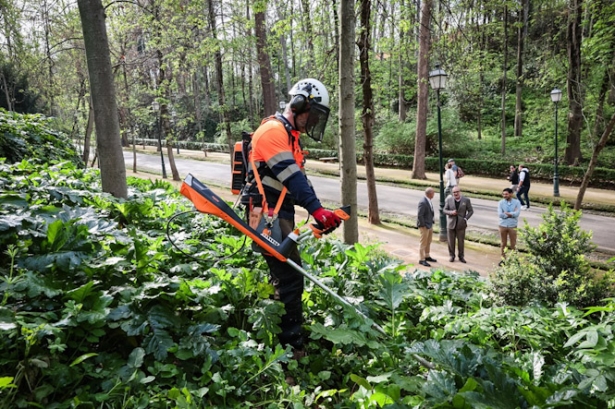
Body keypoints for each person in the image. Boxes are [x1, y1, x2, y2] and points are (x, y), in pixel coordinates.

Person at [247, 78, 341, 352]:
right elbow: (292, 177)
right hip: (266, 214)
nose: (313, 121)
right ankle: (290, 344)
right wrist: (316, 209)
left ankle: (277, 324)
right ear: (299, 104)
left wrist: (323, 213)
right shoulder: (273, 132)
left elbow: (301, 181)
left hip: (279, 213)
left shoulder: (291, 138)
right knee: (290, 275)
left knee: (285, 274)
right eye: (313, 115)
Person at [443, 187, 473, 263]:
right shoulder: (449, 200)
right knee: (451, 241)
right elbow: (444, 210)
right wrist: (451, 212)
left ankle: (461, 256)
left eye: (457, 192)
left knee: (461, 241)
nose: (455, 193)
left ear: (460, 192)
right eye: (454, 192)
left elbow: (470, 211)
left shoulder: (466, 200)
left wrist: (465, 218)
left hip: (461, 224)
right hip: (451, 224)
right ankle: (452, 256)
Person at [498, 188, 521, 266]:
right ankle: (503, 259)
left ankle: (514, 259)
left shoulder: (517, 202)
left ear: (511, 194)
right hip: (502, 225)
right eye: (503, 194)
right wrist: (511, 214)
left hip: (512, 225)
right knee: (503, 243)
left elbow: (517, 213)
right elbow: (500, 214)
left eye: (506, 194)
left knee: (513, 244)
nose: (504, 196)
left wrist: (508, 213)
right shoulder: (500, 203)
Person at [417, 187, 437, 267]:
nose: (434, 194)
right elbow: (420, 215)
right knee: (423, 242)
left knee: (428, 241)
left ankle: (427, 255)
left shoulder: (428, 201)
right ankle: (421, 259)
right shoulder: (423, 202)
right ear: (430, 194)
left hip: (429, 224)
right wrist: (423, 225)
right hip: (424, 226)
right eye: (433, 193)